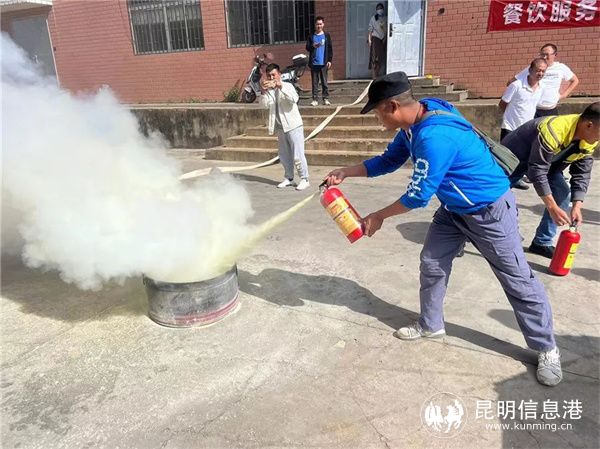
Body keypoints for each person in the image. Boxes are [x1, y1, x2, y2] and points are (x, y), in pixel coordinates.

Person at [324, 72, 562, 387]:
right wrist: (347, 171)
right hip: (453, 208)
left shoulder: (433, 137)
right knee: (432, 262)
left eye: (378, 112)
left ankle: (547, 348)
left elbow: (418, 196)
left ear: (393, 106)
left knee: (516, 278)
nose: (378, 120)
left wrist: (378, 216)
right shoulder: (418, 118)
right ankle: (431, 324)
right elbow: (389, 161)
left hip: (489, 210)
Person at [502, 102, 600, 258]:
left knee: (562, 192)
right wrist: (552, 207)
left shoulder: (590, 140)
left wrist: (577, 205)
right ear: (589, 125)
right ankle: (463, 234)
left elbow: (582, 173)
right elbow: (536, 171)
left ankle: (542, 242)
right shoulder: (553, 130)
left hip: (548, 165)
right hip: (512, 160)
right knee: (494, 197)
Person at [259, 63, 310, 191]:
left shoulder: (288, 86)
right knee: (284, 155)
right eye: (269, 76)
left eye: (273, 75)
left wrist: (280, 87)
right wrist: (263, 92)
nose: (271, 78)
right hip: (280, 127)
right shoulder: (270, 91)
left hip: (293, 125)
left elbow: (294, 99)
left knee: (297, 154)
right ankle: (289, 178)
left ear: (279, 75)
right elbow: (264, 105)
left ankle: (304, 179)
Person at [511, 43, 579, 118]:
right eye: (542, 54)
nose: (544, 57)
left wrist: (564, 95)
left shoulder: (561, 68)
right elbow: (512, 81)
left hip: (551, 110)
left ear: (555, 55)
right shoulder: (533, 68)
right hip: (533, 110)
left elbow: (575, 80)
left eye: (547, 54)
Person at [499, 58, 547, 141]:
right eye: (538, 70)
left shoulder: (542, 87)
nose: (540, 74)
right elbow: (502, 104)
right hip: (510, 128)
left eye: (543, 71)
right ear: (530, 70)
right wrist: (510, 116)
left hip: (527, 129)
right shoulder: (516, 85)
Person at [305, 16, 333, 106]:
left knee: (324, 82)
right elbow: (307, 48)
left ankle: (325, 98)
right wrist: (313, 46)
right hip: (314, 63)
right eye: (317, 24)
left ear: (323, 24)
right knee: (315, 83)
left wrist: (329, 60)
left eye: (320, 24)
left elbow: (330, 49)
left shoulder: (326, 35)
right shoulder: (311, 36)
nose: (319, 26)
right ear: (315, 25)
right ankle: (315, 99)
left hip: (324, 63)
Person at [368, 3, 387, 79]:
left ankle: (377, 74)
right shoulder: (373, 18)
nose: (380, 10)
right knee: (374, 58)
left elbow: (388, 29)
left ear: (383, 9)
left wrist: (385, 38)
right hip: (375, 39)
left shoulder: (385, 18)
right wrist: (369, 39)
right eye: (378, 8)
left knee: (380, 58)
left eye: (381, 8)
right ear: (376, 10)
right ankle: (374, 76)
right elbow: (370, 30)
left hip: (383, 40)